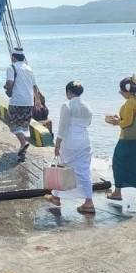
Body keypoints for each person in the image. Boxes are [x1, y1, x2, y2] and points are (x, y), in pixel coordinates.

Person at [45, 81, 97, 215]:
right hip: (84, 140)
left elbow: (63, 127)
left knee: (62, 167)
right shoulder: (87, 106)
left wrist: (57, 144)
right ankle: (88, 201)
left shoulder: (67, 105)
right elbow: (88, 123)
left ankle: (56, 197)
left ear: (68, 92)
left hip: (70, 141)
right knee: (84, 171)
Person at [106, 75, 136, 205]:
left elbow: (127, 123)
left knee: (118, 162)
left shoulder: (129, 103)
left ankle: (117, 192)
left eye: (121, 91)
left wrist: (115, 121)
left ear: (127, 91)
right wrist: (120, 120)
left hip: (129, 139)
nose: (121, 93)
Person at [4, 47, 42, 162]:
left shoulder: (11, 68)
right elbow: (34, 86)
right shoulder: (29, 68)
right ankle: (22, 153)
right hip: (29, 102)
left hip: (17, 101)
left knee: (13, 124)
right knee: (24, 126)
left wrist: (6, 87)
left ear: (13, 57)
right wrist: (37, 100)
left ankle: (23, 143)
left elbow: (9, 83)